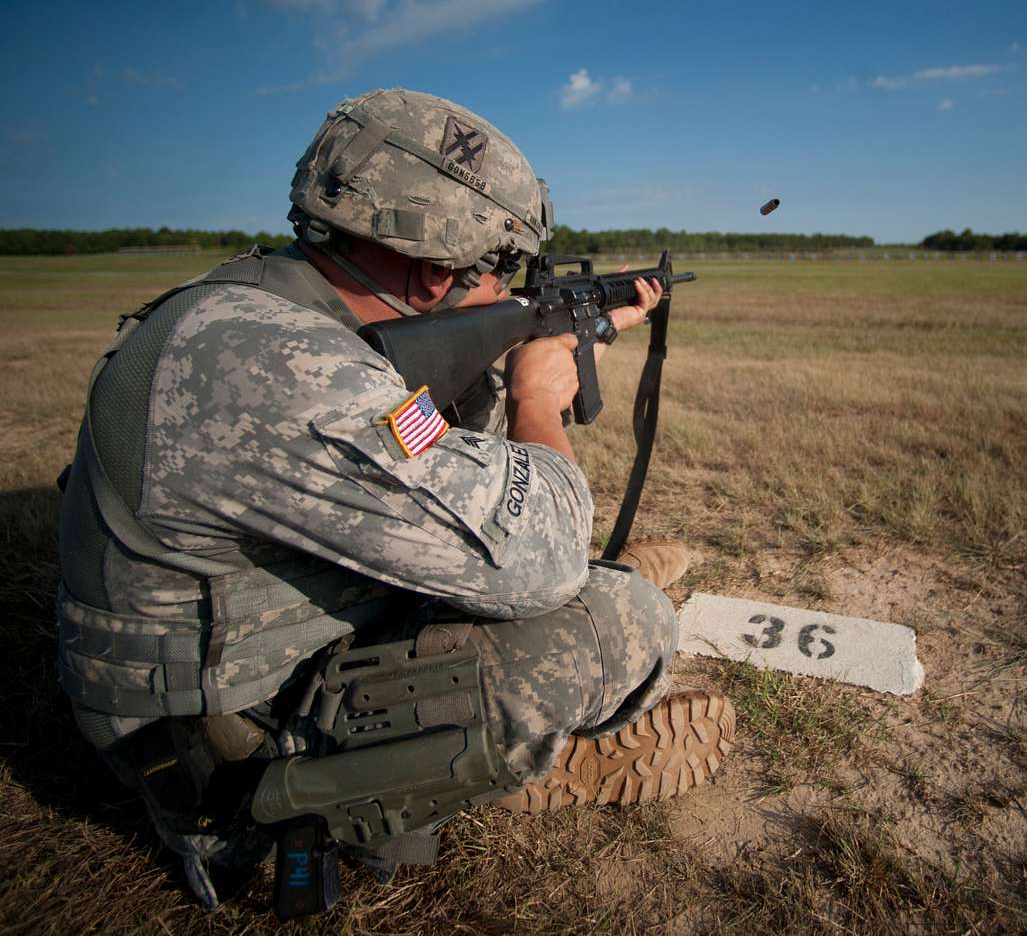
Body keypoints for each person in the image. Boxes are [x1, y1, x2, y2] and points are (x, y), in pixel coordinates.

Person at [54, 88, 734, 913]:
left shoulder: (249, 305)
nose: (499, 287)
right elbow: (542, 558)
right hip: (225, 755)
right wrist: (535, 400)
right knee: (622, 614)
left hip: (222, 655)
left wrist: (513, 341)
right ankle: (532, 765)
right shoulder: (288, 367)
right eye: (497, 265)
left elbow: (419, 446)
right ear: (435, 266)